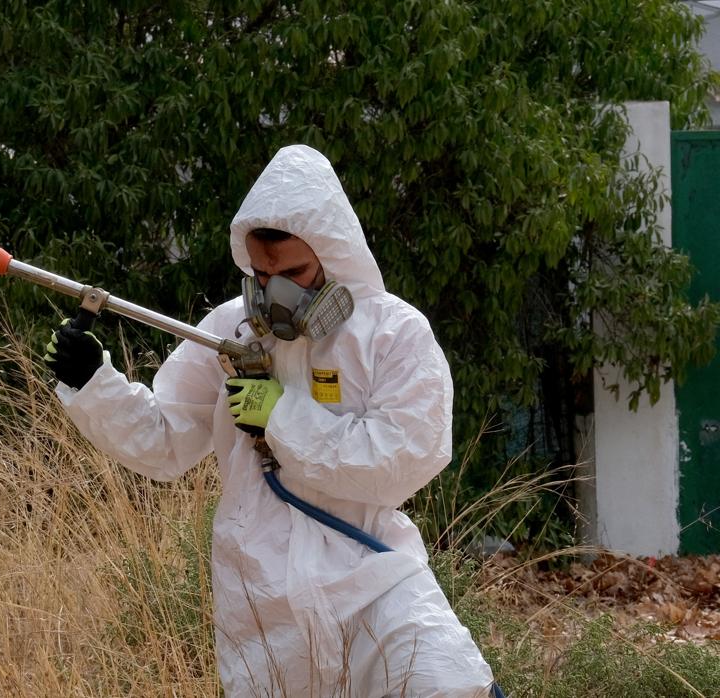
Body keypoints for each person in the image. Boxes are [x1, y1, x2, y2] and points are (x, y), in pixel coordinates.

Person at [45, 144, 497, 696]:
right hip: (261, 603)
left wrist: (277, 416)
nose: (274, 291)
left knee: (446, 685)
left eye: (295, 272)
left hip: (373, 580)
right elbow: (163, 442)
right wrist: (93, 381)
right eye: (261, 273)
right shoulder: (231, 332)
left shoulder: (393, 334)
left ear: (333, 255)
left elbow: (402, 460)